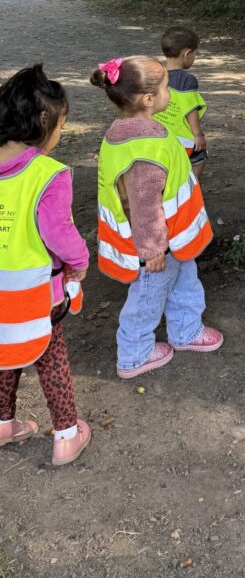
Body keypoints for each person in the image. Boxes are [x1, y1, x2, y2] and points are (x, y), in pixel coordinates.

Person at [91, 56, 222, 379]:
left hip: (174, 240)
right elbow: (144, 204)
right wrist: (153, 251)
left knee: (185, 281)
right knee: (146, 299)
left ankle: (186, 330)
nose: (170, 94)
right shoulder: (146, 147)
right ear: (148, 100)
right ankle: (134, 354)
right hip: (154, 248)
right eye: (165, 88)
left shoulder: (129, 132)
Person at [0, 65, 91, 466]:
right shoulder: (48, 175)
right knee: (50, 358)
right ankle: (67, 435)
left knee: (4, 355)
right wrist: (81, 262)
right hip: (36, 296)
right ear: (43, 122)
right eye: (61, 125)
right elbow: (59, 233)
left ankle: (3, 424)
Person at [153, 27, 208, 179]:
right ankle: (190, 188)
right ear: (187, 54)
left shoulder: (157, 76)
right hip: (182, 140)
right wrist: (198, 134)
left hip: (159, 137)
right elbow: (190, 109)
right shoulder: (187, 80)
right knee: (200, 156)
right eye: (195, 54)